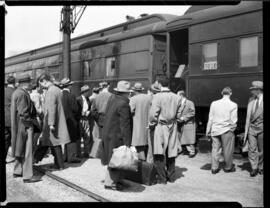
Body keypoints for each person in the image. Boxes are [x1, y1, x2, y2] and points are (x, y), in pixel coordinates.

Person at [149, 77, 182, 184]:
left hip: (161, 126)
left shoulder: (157, 97)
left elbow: (153, 114)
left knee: (159, 153)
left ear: (159, 84)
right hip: (173, 125)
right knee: (171, 151)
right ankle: (171, 177)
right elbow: (179, 113)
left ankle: (162, 179)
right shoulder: (177, 97)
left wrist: (152, 124)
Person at [102, 81, 133, 191]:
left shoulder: (113, 99)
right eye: (129, 92)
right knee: (115, 159)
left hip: (110, 133)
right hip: (116, 135)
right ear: (126, 93)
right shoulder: (124, 104)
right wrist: (128, 143)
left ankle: (118, 180)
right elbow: (125, 125)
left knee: (116, 158)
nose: (130, 94)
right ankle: (109, 183)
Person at [10, 73, 41, 183]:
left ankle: (17, 171)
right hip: (25, 125)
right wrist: (31, 124)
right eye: (30, 82)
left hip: (18, 125)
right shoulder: (23, 94)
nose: (31, 84)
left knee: (19, 147)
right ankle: (28, 176)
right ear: (26, 83)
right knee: (28, 150)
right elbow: (24, 113)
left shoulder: (16, 92)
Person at [38, 73, 70, 170]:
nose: (41, 86)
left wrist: (51, 123)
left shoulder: (51, 91)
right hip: (58, 119)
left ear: (45, 81)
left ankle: (60, 165)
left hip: (52, 121)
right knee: (54, 143)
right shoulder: (57, 89)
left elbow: (51, 108)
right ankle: (58, 164)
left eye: (41, 83)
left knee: (54, 143)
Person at [206, 87, 238, 174]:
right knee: (227, 150)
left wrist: (208, 130)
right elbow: (234, 120)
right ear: (231, 93)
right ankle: (228, 168)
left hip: (215, 130)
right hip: (226, 130)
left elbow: (210, 118)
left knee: (215, 149)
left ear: (221, 93)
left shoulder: (214, 103)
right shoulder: (233, 105)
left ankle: (214, 168)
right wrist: (232, 129)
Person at [243, 81, 263, 177]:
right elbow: (248, 116)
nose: (251, 91)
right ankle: (254, 168)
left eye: (253, 89)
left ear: (258, 90)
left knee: (262, 150)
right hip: (251, 128)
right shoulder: (251, 99)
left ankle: (261, 166)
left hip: (262, 128)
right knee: (252, 149)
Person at [60, 78, 81, 163]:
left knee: (65, 138)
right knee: (72, 138)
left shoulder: (60, 95)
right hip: (71, 121)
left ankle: (65, 156)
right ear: (69, 86)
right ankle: (72, 157)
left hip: (62, 120)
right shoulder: (71, 96)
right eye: (71, 85)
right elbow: (75, 109)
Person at [129, 82, 152, 161]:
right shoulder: (149, 97)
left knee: (139, 149)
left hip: (137, 127)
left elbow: (130, 111)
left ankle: (143, 167)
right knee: (148, 147)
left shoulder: (133, 99)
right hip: (149, 126)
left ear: (134, 90)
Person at [177, 90, 196, 158]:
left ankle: (192, 151)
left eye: (178, 95)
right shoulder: (178, 103)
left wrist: (183, 118)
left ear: (181, 95)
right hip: (180, 122)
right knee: (179, 136)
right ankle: (180, 150)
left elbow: (192, 113)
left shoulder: (190, 103)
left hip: (187, 123)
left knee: (189, 138)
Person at [146, 82, 161, 163]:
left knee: (151, 147)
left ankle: (150, 165)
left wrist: (151, 124)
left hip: (153, 125)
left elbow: (152, 115)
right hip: (163, 126)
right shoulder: (163, 98)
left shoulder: (151, 98)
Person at [76, 85, 93, 158]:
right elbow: (76, 110)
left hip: (86, 119)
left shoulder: (88, 99)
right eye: (88, 91)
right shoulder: (78, 99)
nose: (89, 92)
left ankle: (86, 152)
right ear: (84, 92)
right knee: (79, 136)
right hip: (80, 119)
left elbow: (89, 108)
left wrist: (89, 111)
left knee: (87, 136)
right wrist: (81, 113)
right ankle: (79, 153)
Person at [5, 76, 16, 160]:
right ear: (14, 82)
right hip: (13, 120)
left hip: (5, 119)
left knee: (6, 140)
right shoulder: (15, 92)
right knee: (15, 139)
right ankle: (17, 158)